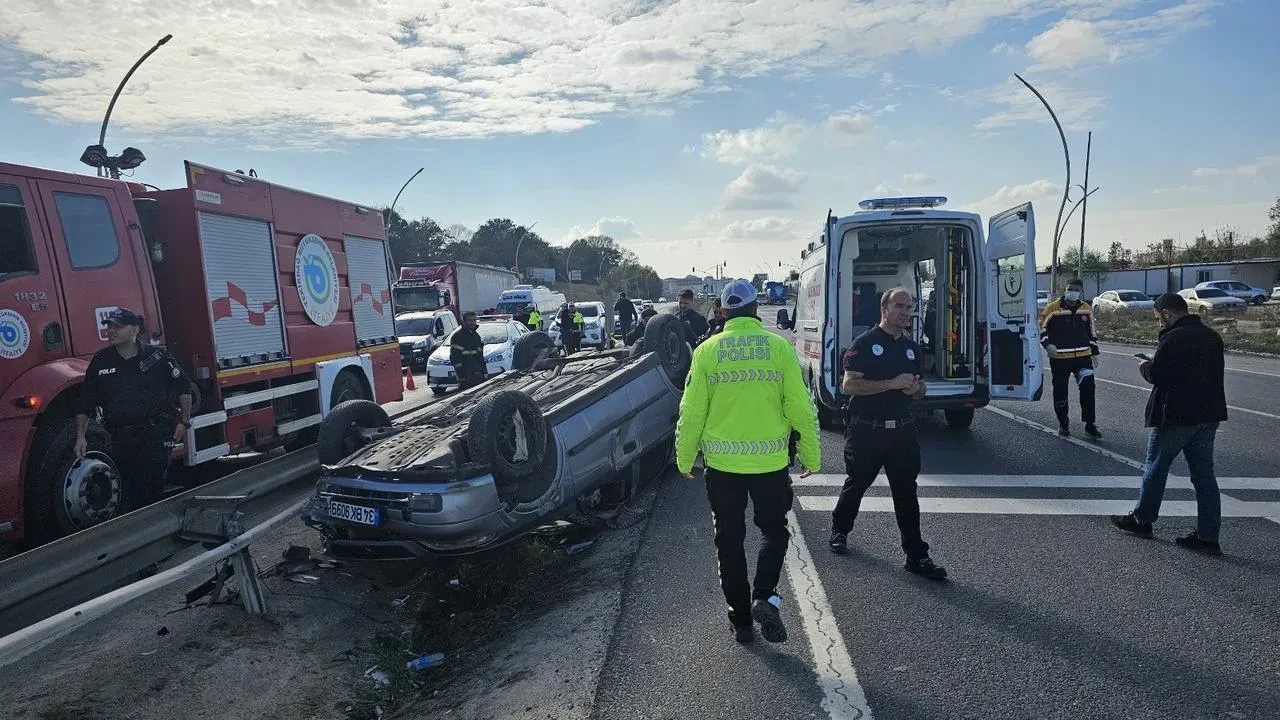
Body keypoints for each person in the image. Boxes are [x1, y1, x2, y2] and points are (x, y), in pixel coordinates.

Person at [676, 279, 821, 645]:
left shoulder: (706, 351)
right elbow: (801, 407)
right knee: (774, 532)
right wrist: (810, 455)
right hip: (770, 465)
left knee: (729, 541)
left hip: (722, 468)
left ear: (723, 312)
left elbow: (691, 412)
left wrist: (685, 458)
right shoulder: (779, 348)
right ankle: (765, 596)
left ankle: (741, 622)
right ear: (756, 308)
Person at [828, 287, 947, 580]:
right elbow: (849, 385)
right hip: (867, 431)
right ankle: (840, 530)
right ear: (884, 310)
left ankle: (916, 556)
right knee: (857, 484)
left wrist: (915, 389)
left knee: (906, 493)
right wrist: (892, 383)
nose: (906, 312)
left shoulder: (911, 347)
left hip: (902, 432)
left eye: (909, 307)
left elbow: (920, 388)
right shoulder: (865, 343)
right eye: (900, 306)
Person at [1111, 292, 1228, 554]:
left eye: (1157, 318)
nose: (1158, 323)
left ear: (1166, 313)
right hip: (1209, 415)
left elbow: (1158, 375)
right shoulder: (1212, 336)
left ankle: (1142, 520)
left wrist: (1144, 364)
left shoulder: (1173, 337)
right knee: (1204, 476)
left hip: (1176, 416)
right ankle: (1209, 537)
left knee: (1156, 468)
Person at [76, 308, 193, 511]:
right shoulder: (101, 361)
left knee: (150, 485)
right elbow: (85, 402)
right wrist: (80, 437)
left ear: (135, 329)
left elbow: (184, 388)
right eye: (109, 326)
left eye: (118, 327)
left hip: (155, 433)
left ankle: (153, 524)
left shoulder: (158, 357)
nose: (111, 331)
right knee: (126, 490)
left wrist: (184, 421)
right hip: (120, 437)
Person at [1040, 278, 1102, 438]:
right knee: (1060, 391)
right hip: (1060, 358)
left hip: (1083, 357)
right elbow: (1041, 329)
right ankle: (1063, 423)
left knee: (1088, 389)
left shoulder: (1086, 309)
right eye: (1070, 289)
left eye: (1076, 290)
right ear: (1065, 290)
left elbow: (1092, 332)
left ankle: (1090, 425)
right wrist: (1047, 345)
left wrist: (1094, 351)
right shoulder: (1053, 309)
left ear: (1081, 292)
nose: (1072, 292)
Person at [449, 312, 486, 390]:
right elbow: (455, 358)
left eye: (474, 320)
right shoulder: (458, 336)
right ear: (464, 321)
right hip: (466, 378)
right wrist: (462, 377)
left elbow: (480, 357)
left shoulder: (476, 336)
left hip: (478, 375)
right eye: (470, 320)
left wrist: (484, 372)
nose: (473, 322)